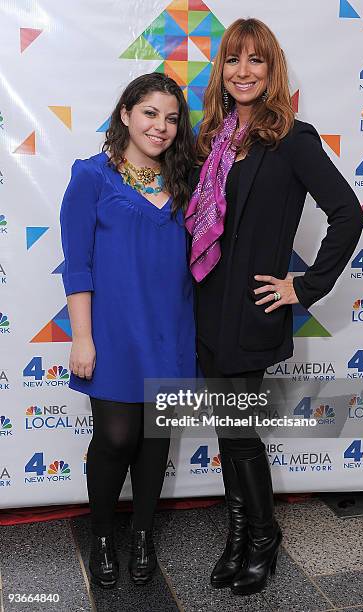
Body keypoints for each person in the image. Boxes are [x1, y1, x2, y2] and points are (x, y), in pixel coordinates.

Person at [186, 18, 363, 596]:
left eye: (255, 61)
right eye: (233, 60)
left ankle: (263, 536)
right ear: (223, 71)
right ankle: (239, 534)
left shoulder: (291, 137)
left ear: (272, 70)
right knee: (227, 428)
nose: (243, 71)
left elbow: (348, 213)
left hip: (253, 310)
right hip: (208, 307)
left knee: (240, 434)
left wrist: (303, 287)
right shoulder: (214, 139)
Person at [60, 73, 196, 588]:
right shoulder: (91, 176)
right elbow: (78, 264)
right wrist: (82, 337)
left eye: (171, 117)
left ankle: (142, 535)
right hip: (113, 331)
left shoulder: (186, 182)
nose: (160, 127)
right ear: (125, 114)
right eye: (149, 113)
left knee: (154, 437)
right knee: (116, 437)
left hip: (172, 329)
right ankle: (101, 536)